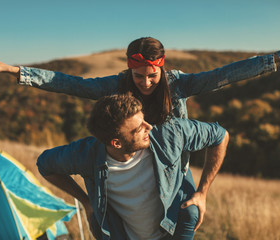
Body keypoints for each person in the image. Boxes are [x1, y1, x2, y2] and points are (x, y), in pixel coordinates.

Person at [0, 33, 280, 125]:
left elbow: (226, 75)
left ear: (162, 68)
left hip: (173, 166)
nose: (146, 83)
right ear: (128, 70)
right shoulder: (114, 85)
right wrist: (12, 70)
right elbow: (68, 82)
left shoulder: (179, 84)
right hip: (130, 162)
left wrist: (277, 57)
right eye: (139, 76)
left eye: (152, 76)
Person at [37, 94, 229, 240]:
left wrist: (202, 192)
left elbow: (220, 136)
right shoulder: (86, 154)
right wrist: (86, 202)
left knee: (190, 211)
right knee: (97, 221)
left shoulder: (169, 133)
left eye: (144, 119)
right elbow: (45, 164)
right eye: (139, 128)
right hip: (120, 234)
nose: (150, 127)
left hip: (173, 228)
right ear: (116, 143)